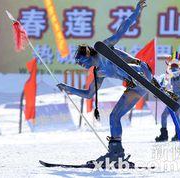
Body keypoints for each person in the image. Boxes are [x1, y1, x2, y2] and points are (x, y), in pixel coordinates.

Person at [57, 0, 150, 165]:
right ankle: (116, 153)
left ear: (88, 54)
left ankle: (136, 72)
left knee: (124, 69)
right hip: (135, 88)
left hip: (141, 73)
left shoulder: (103, 48)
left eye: (81, 61)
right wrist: (67, 88)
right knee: (114, 117)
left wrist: (137, 12)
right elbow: (89, 94)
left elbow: (123, 29)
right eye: (79, 64)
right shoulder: (98, 72)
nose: (81, 65)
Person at [155, 53, 180, 142]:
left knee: (176, 115)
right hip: (174, 97)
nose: (174, 73)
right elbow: (169, 87)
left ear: (179, 69)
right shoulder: (171, 78)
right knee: (164, 115)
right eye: (173, 71)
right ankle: (164, 135)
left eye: (176, 71)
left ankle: (178, 134)